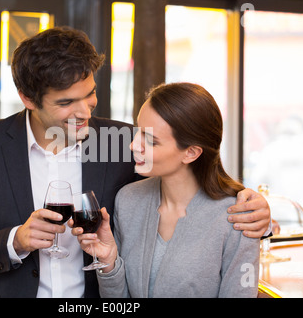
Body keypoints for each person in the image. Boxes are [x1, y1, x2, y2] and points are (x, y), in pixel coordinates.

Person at [0, 27, 269, 298]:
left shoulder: (125, 142)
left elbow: (193, 173)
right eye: (67, 102)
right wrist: (17, 240)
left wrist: (255, 209)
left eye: (90, 94)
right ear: (28, 98)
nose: (85, 111)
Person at [71, 82, 261, 297]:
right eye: (138, 131)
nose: (134, 145)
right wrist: (108, 262)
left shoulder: (238, 218)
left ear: (191, 153)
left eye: (151, 141)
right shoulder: (129, 200)